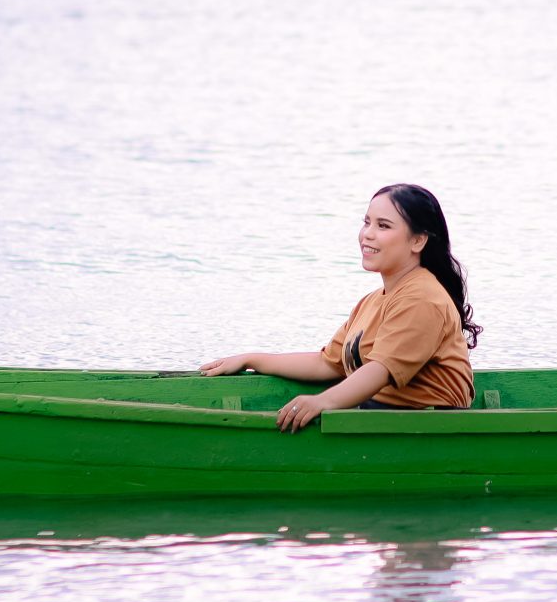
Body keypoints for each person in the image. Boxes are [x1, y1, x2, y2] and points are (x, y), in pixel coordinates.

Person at [201, 184, 478, 430]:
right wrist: (252, 359)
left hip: (426, 427)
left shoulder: (422, 299)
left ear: (418, 240)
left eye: (383, 226)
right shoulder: (372, 301)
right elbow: (326, 363)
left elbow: (380, 370)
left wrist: (322, 401)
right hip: (379, 419)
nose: (367, 234)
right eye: (366, 223)